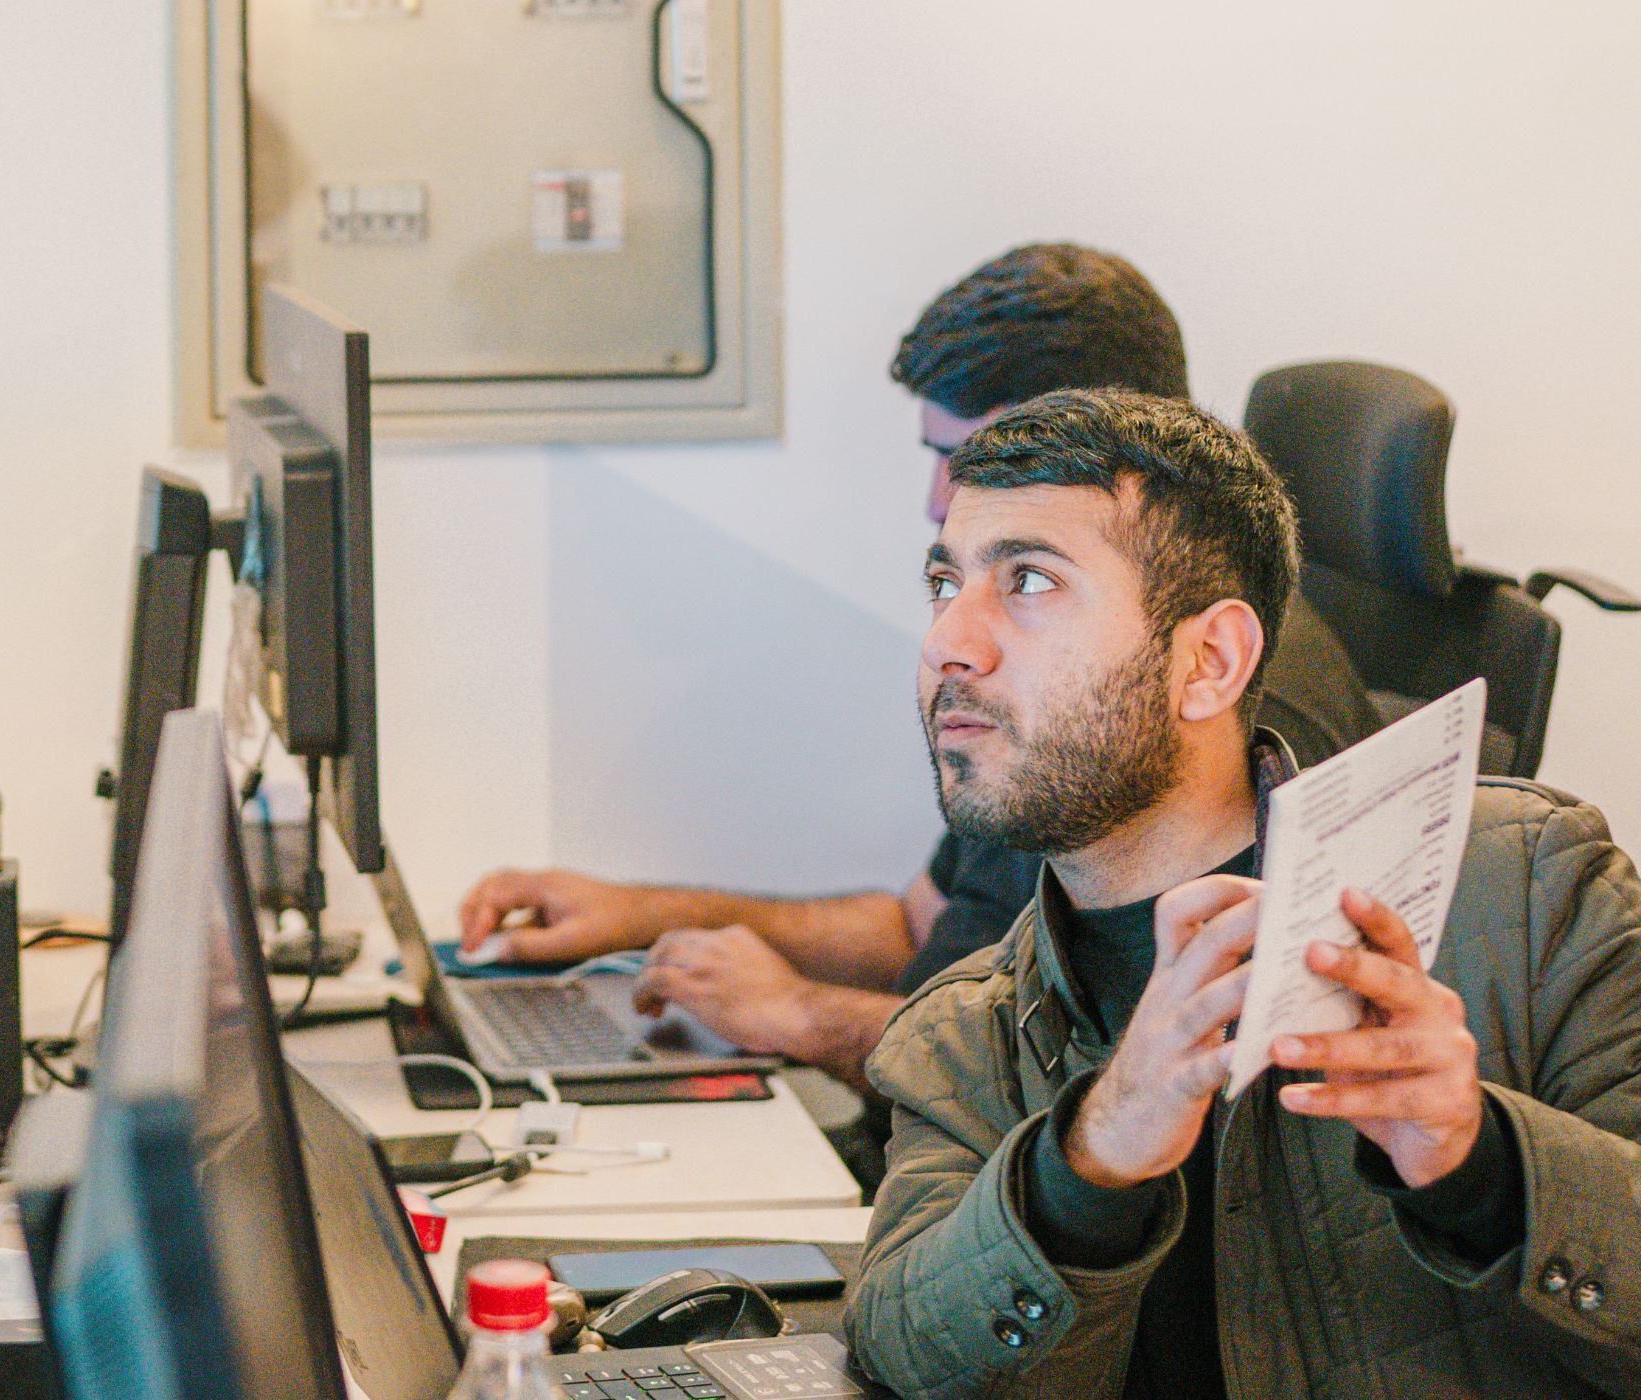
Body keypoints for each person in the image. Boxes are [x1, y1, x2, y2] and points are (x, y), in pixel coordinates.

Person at [847, 388, 1641, 1397]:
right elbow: (900, 1352)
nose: (948, 642)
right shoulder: (958, 1039)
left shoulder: (1531, 888)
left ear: (1209, 661)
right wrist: (1088, 1161)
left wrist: (1484, 1165)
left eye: (1030, 580)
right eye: (943, 582)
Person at [456, 244, 1382, 1089]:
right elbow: (926, 927)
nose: (940, 497)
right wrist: (640, 917)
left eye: (975, 457)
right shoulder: (1037, 690)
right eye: (948, 582)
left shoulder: (1217, 711)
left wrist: (805, 1016)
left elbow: (1128, 1089)